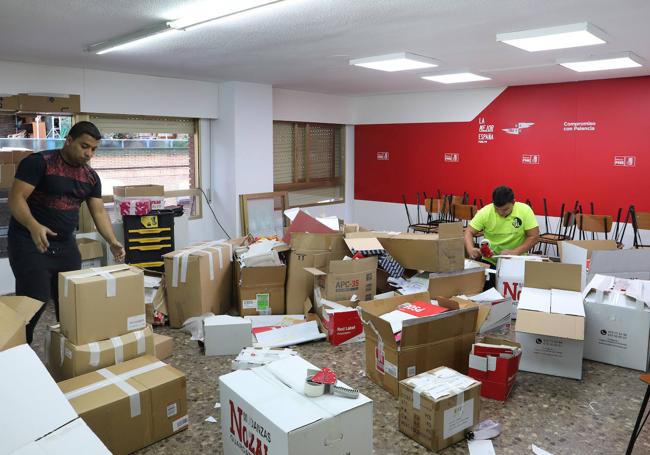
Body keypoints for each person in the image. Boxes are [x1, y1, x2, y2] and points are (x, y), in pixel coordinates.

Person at [8, 121, 125, 344]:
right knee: (34, 300)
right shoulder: (38, 163)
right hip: (30, 242)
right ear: (69, 140)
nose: (89, 153)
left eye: (93, 149)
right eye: (84, 146)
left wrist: (112, 241)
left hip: (65, 245)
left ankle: (69, 350)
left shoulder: (90, 177)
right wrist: (34, 225)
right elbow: (16, 199)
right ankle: (17, 349)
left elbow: (98, 212)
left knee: (70, 298)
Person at [464, 185, 540, 266]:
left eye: (505, 209)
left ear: (513, 202)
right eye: (497, 209)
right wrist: (470, 249)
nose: (501, 213)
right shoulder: (485, 212)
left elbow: (534, 236)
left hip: (516, 259)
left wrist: (516, 252)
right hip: (490, 260)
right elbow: (468, 231)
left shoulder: (525, 210)